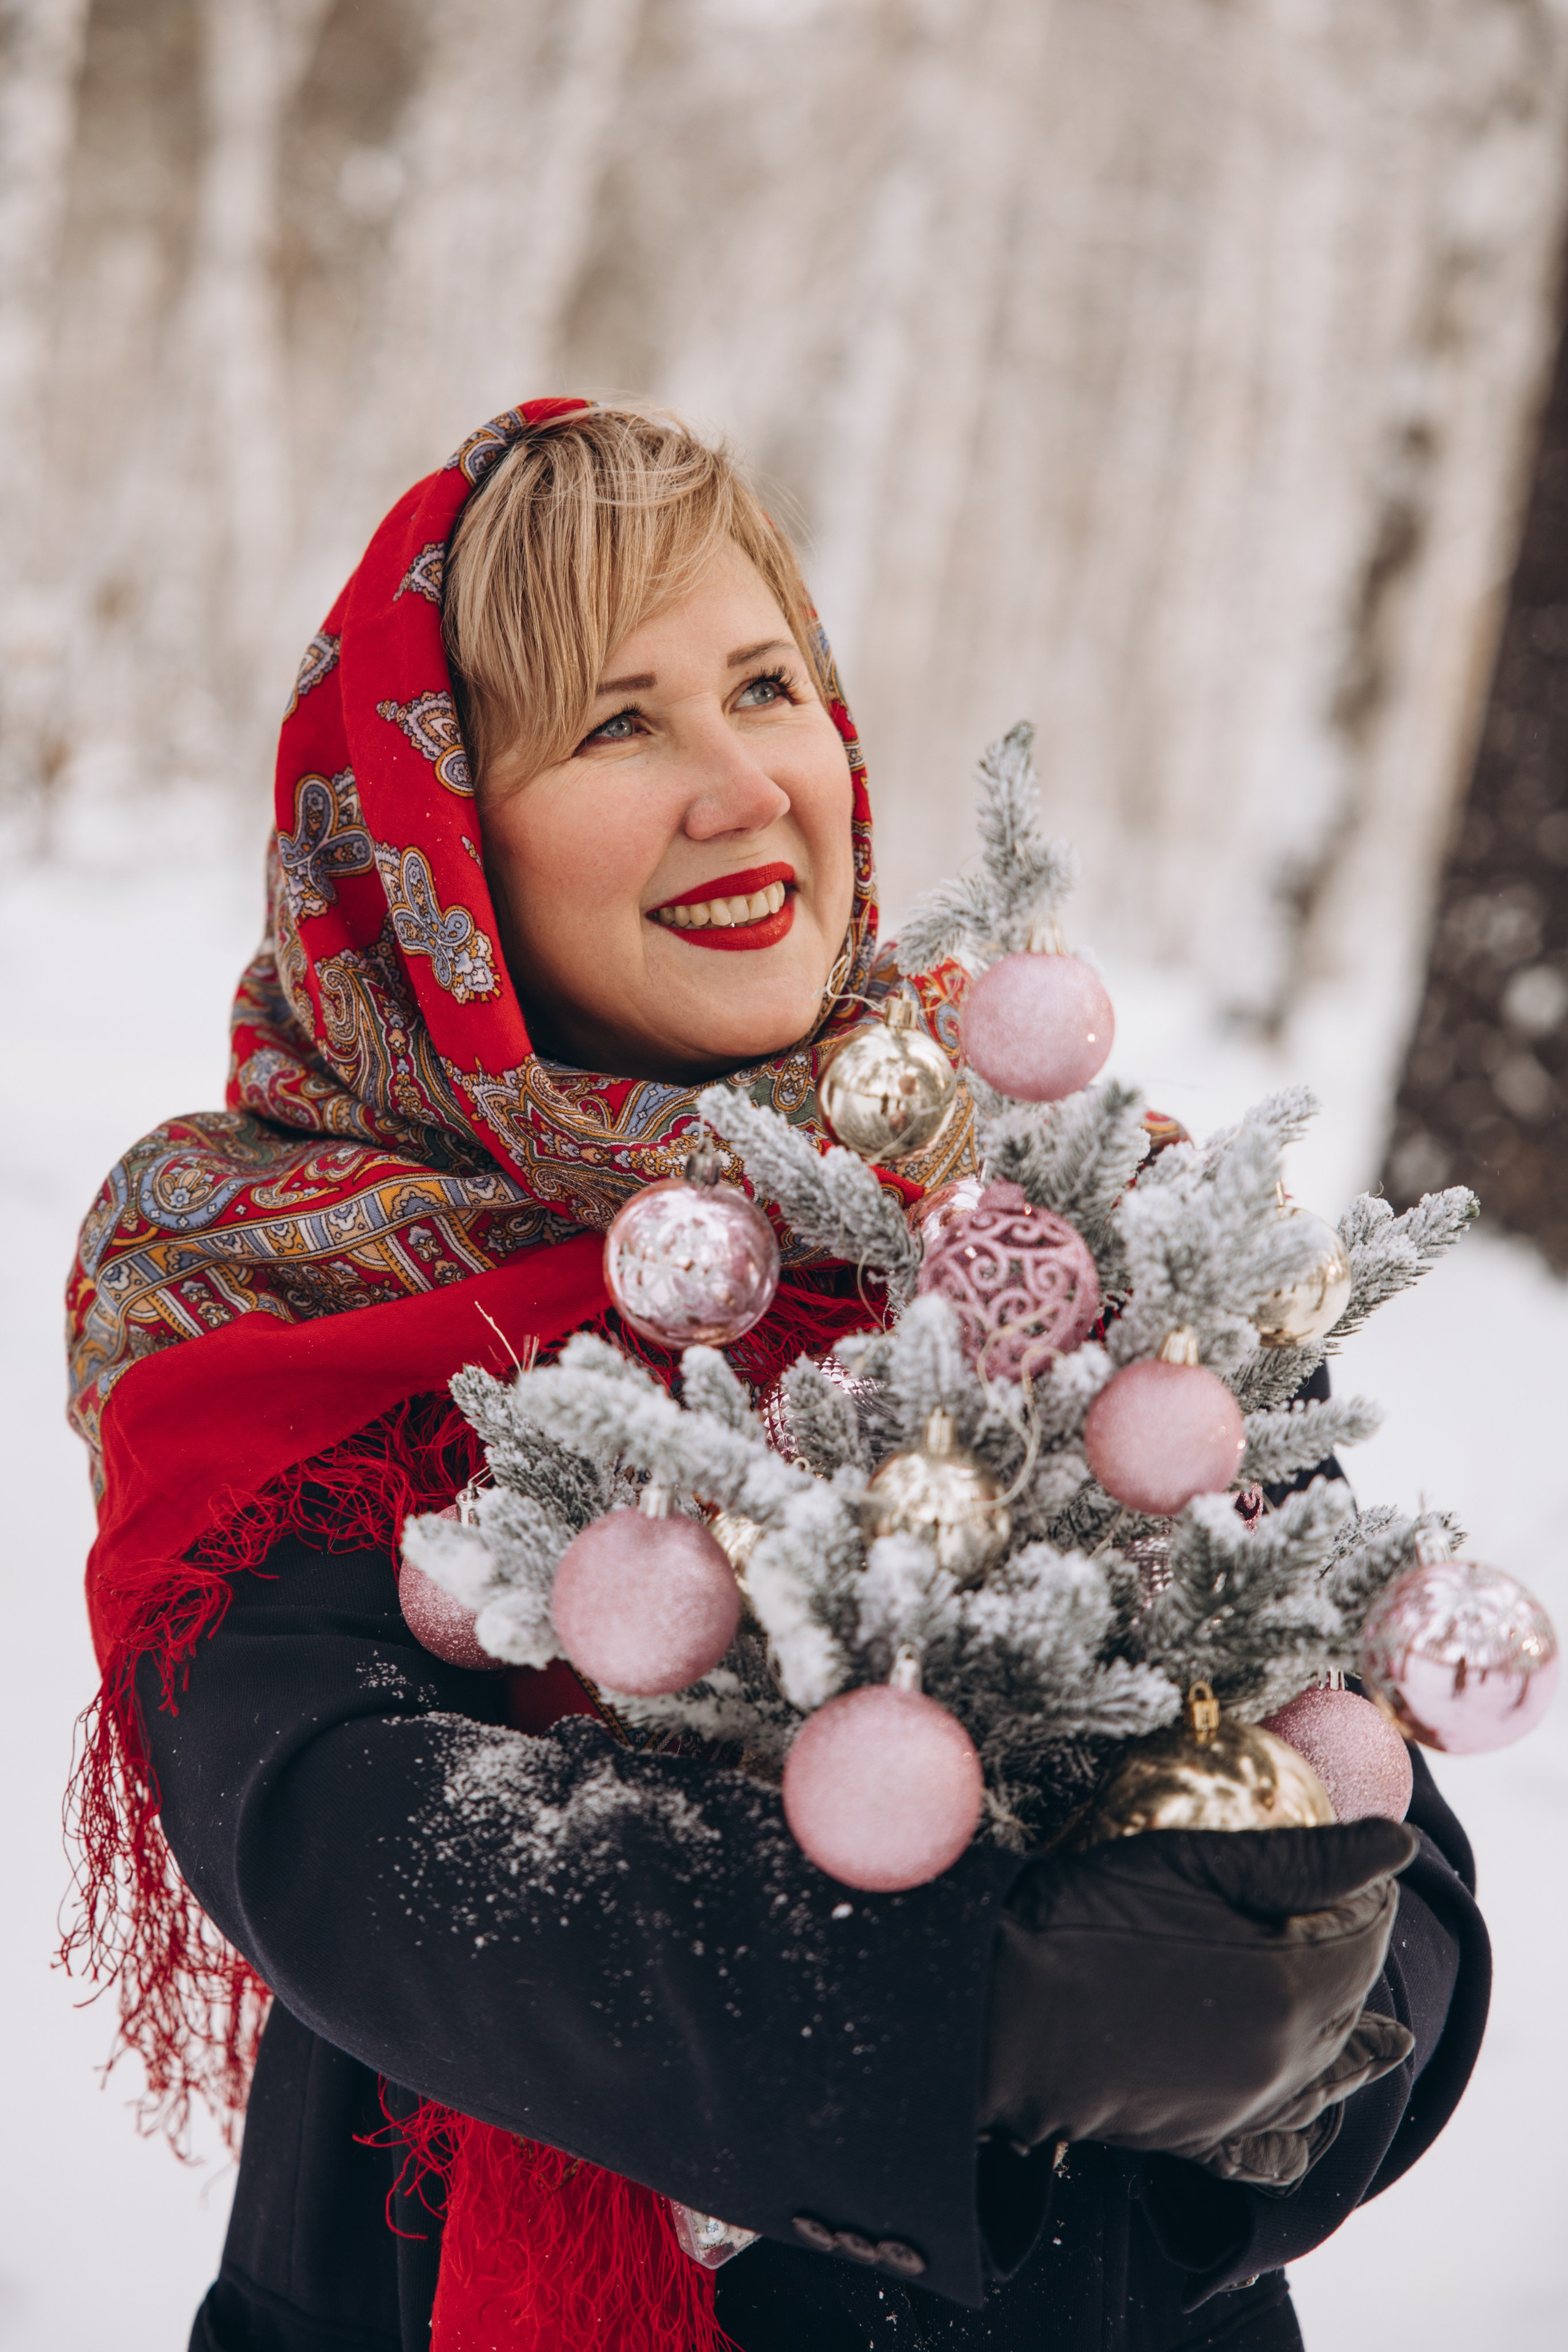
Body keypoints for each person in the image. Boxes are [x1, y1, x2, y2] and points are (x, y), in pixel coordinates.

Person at [66, 400, 1489, 2352]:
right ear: (435, 845)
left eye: (765, 685)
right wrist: (967, 2007)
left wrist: (1277, 2061)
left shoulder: (1077, 1228)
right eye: (617, 723)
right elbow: (343, 1835)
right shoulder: (272, 1296)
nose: (741, 784)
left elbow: (1398, 1844)